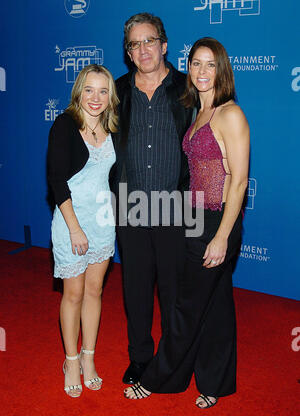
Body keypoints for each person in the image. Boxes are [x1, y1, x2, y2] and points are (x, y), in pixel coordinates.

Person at [124, 37, 250, 409]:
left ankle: (162, 378)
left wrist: (223, 236)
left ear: (222, 70)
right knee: (216, 306)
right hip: (195, 216)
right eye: (196, 63)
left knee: (185, 309)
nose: (201, 71)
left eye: (210, 65)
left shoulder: (230, 114)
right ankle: (217, 382)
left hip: (216, 221)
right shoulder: (199, 112)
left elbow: (239, 180)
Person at [109, 13, 194, 385]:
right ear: (128, 52)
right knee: (136, 290)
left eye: (148, 41)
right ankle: (140, 358)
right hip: (130, 205)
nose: (142, 49)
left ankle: (173, 359)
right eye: (134, 44)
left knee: (175, 293)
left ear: (163, 45)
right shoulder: (118, 89)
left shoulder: (187, 88)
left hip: (174, 206)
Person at [47, 64, 119, 398]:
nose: (95, 97)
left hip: (103, 222)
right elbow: (56, 180)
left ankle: (89, 357)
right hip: (71, 222)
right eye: (89, 90)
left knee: (95, 292)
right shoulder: (64, 124)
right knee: (72, 294)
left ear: (110, 96)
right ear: (79, 91)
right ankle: (71, 360)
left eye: (103, 91)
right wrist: (75, 229)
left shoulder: (113, 127)